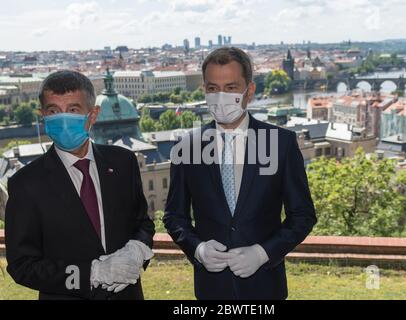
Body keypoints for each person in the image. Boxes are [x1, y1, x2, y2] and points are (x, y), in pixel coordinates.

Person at [164, 47, 317, 300]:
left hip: (266, 288)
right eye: (213, 88)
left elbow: (302, 215)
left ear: (250, 91)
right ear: (204, 89)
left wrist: (262, 253)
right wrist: (199, 249)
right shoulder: (185, 147)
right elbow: (174, 216)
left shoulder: (281, 144)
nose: (220, 96)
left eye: (231, 87)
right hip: (211, 290)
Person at [5, 70, 155, 300]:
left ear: (92, 115)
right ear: (42, 116)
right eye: (54, 111)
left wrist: (137, 250)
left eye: (73, 110)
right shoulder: (25, 184)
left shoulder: (123, 163)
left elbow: (142, 223)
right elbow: (22, 266)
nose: (63, 119)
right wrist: (91, 274)